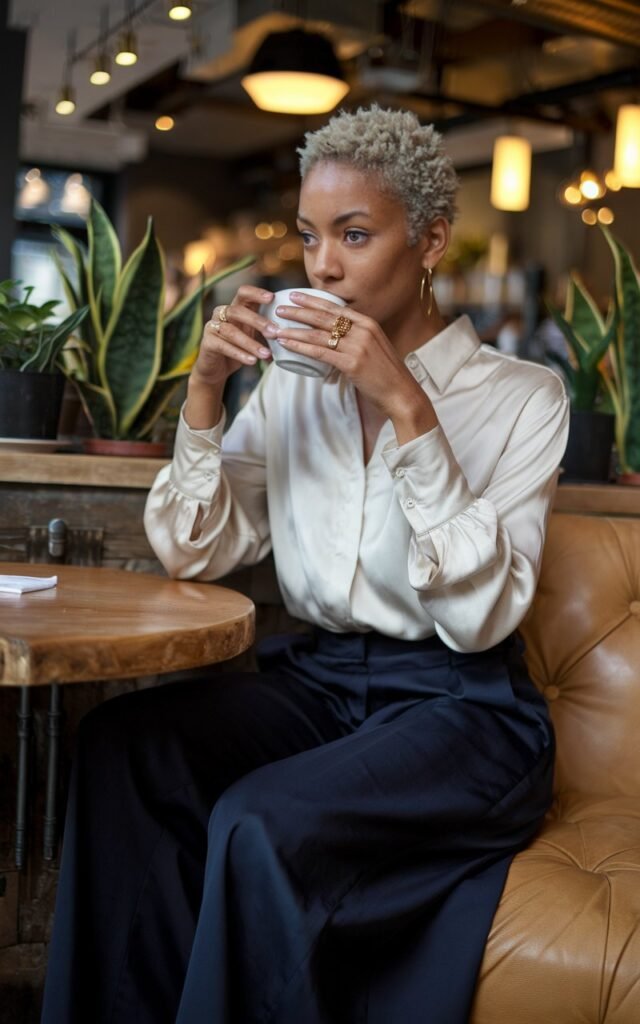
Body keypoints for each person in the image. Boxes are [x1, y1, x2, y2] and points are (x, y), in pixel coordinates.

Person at [41, 106, 569, 1024]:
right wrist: (205, 390)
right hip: (322, 686)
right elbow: (195, 547)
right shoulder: (290, 386)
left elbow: (480, 618)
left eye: (354, 236)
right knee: (125, 749)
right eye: (311, 236)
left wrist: (407, 408)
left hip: (463, 706)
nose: (321, 266)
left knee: (259, 820)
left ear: (433, 239)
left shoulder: (525, 400)